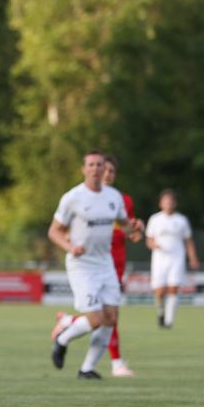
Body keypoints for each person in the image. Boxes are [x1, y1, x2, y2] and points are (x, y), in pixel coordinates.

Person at [48, 151, 143, 380]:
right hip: (82, 265)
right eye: (91, 165)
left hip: (105, 263)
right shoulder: (73, 198)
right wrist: (70, 248)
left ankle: (87, 369)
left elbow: (124, 226)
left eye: (100, 165)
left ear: (105, 169)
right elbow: (54, 231)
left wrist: (135, 227)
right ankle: (62, 338)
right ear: (83, 169)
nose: (96, 169)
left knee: (111, 318)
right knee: (96, 319)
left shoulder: (113, 197)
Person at [146, 189, 199, 329]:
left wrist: (193, 258)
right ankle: (161, 312)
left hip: (177, 258)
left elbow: (188, 241)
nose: (168, 203)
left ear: (175, 203)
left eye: (171, 201)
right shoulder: (155, 219)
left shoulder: (181, 220)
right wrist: (153, 245)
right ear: (161, 203)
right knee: (159, 291)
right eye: (165, 200)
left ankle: (169, 321)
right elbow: (149, 240)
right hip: (159, 258)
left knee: (173, 288)